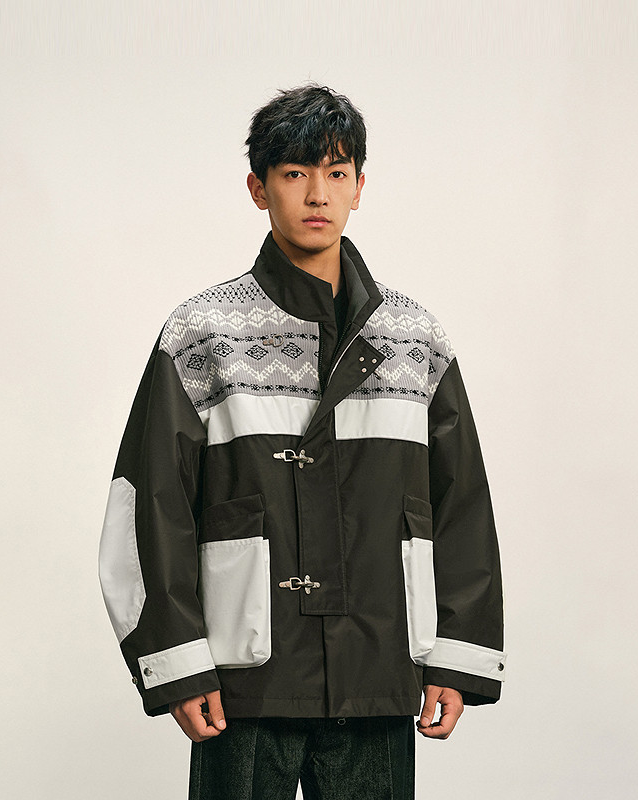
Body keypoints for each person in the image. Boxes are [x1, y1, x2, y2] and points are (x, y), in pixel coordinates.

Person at [99, 83, 505, 800]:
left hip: (379, 668)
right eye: (294, 173)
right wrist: (177, 660)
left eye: (336, 173)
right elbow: (148, 503)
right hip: (245, 676)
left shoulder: (414, 337)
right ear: (258, 189)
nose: (317, 194)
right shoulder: (202, 333)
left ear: (359, 188)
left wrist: (457, 654)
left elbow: (461, 502)